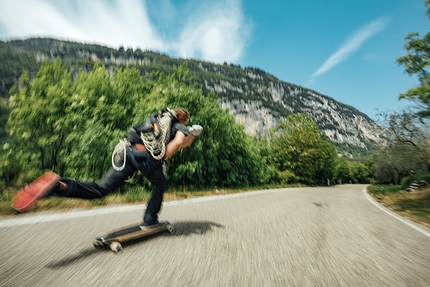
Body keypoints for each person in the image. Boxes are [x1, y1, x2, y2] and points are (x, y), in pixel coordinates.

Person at [12, 107, 203, 226]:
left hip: (127, 151)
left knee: (101, 189)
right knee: (160, 184)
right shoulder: (178, 125)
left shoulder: (158, 119)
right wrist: (167, 153)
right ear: (183, 118)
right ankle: (150, 219)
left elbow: (184, 141)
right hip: (146, 157)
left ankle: (58, 185)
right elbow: (179, 141)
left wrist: (192, 135)